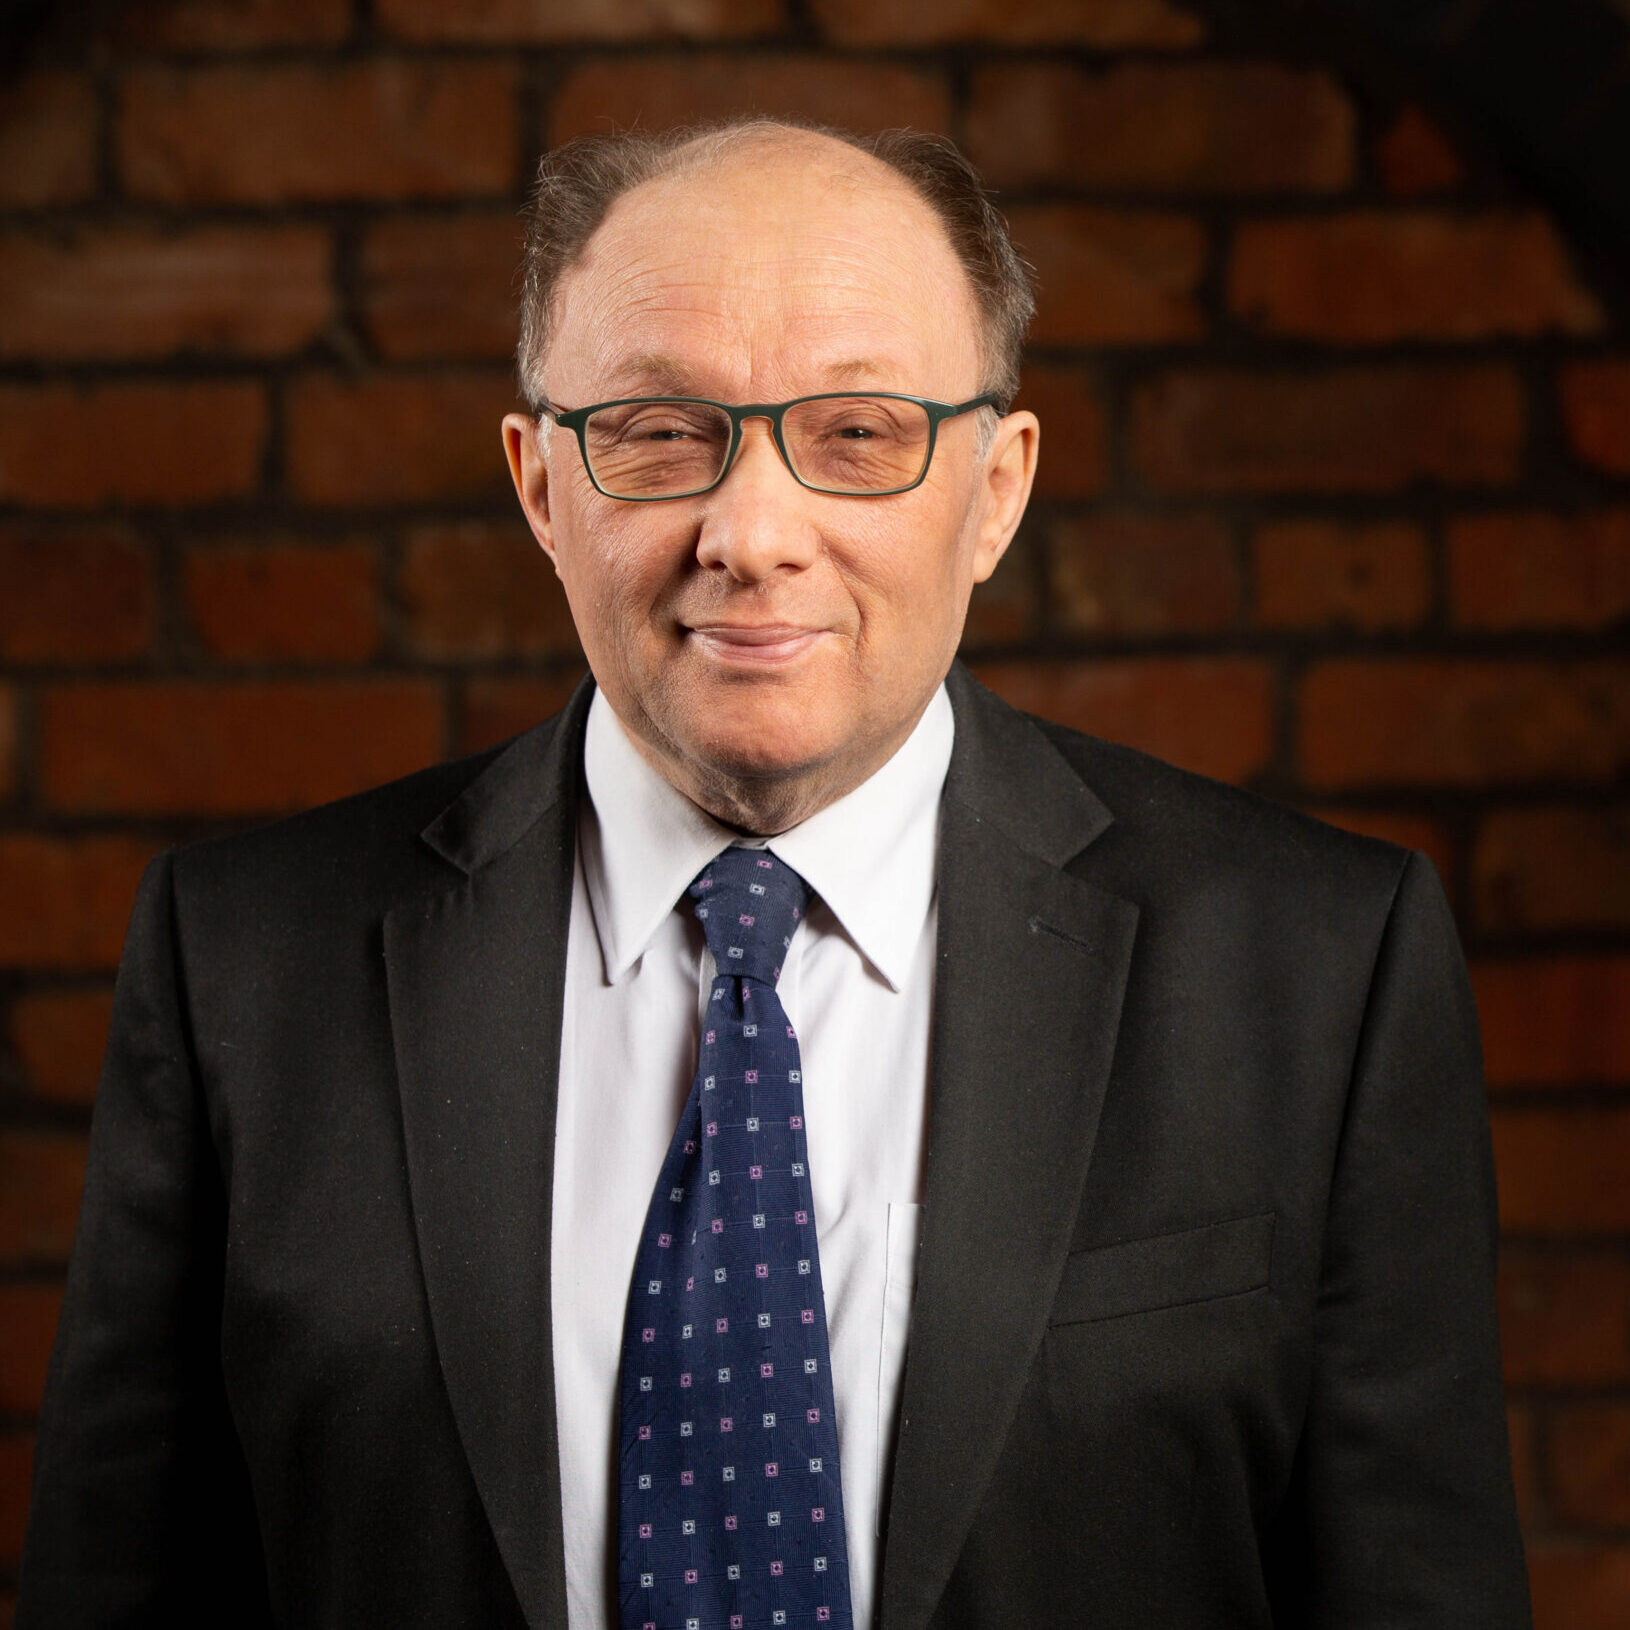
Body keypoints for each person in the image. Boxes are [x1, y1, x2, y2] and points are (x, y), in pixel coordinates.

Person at [20, 120, 1530, 1629]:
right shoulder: (242, 965)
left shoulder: (1319, 971)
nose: (750, 534)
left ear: (996, 489)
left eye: (858, 434)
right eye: (659, 432)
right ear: (541, 487)